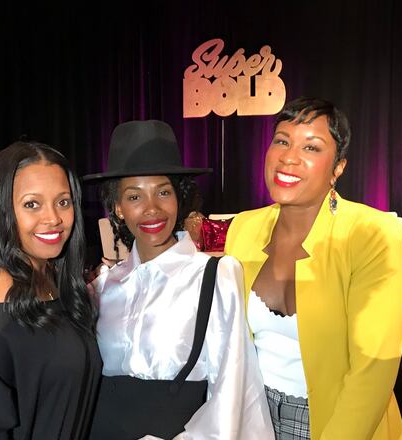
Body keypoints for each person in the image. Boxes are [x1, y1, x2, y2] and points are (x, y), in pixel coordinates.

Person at [225, 97, 402, 440]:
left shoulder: (370, 232)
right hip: (253, 415)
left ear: (338, 166)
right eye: (282, 140)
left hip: (334, 418)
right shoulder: (243, 229)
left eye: (311, 147)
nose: (289, 157)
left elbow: (374, 366)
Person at [82, 120, 274, 440]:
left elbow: (233, 390)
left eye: (163, 192)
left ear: (178, 197)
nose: (152, 209)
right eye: (134, 197)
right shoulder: (100, 290)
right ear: (117, 207)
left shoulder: (215, 277)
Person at [0, 141, 101, 439]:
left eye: (63, 202)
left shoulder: (51, 275)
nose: (53, 218)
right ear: (2, 209)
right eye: (32, 204)